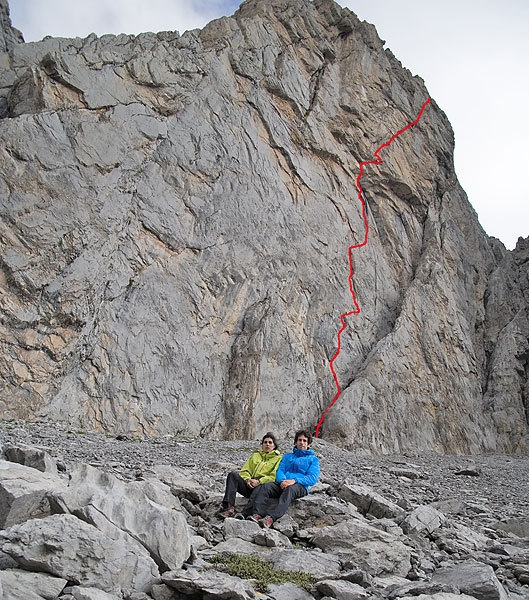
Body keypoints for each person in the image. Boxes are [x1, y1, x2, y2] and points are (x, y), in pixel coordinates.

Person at [240, 429, 320, 527]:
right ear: (295, 442)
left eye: (304, 441)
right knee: (265, 486)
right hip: (283, 483)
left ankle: (270, 518)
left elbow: (312, 478)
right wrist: (282, 481)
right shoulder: (287, 457)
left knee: (290, 490)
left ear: (309, 444)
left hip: (300, 486)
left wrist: (294, 481)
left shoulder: (313, 460)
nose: (302, 443)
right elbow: (280, 471)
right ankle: (257, 514)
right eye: (299, 440)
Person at [219, 432, 281, 518]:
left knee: (261, 487)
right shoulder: (255, 456)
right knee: (233, 475)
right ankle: (230, 507)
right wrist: (248, 479)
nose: (267, 444)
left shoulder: (278, 458)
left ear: (274, 446)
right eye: (265, 442)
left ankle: (246, 513)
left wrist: (259, 481)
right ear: (262, 445)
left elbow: (273, 476)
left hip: (262, 486)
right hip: (250, 484)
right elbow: (245, 470)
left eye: (270, 442)